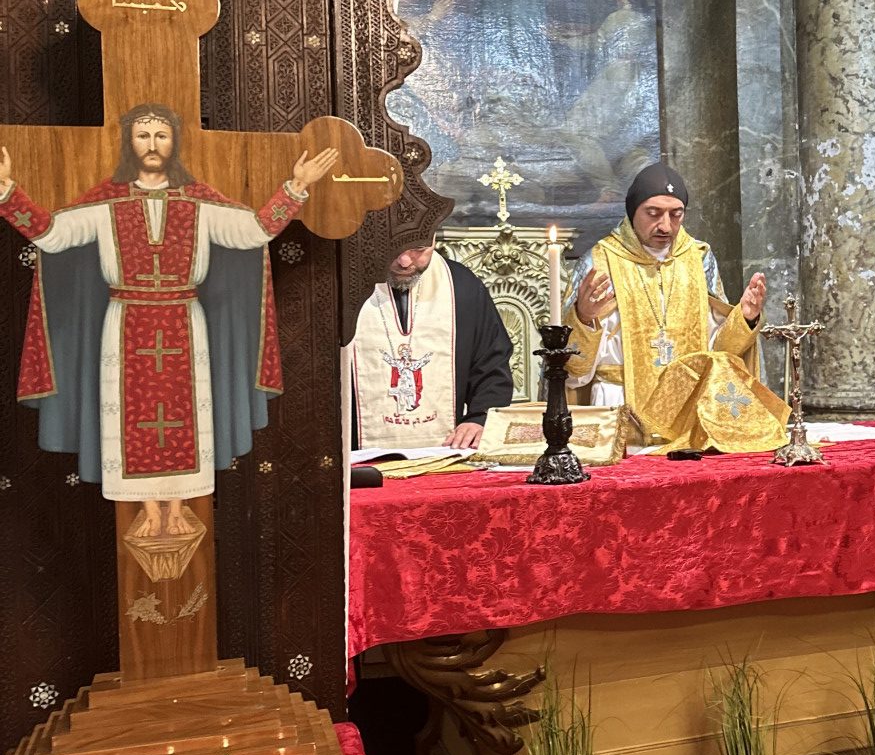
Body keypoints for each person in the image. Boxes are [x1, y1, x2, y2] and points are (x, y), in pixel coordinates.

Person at [0, 103, 336, 539]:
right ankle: (148, 511)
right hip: (124, 324)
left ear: (174, 142)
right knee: (130, 412)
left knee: (183, 414)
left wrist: (297, 186)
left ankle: (177, 507)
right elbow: (52, 234)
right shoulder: (108, 202)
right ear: (129, 142)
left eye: (161, 135)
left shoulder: (199, 201)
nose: (152, 145)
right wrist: (8, 191)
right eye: (143, 135)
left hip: (183, 320)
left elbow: (254, 231)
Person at [565, 160, 788, 453]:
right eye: (653, 214)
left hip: (688, 415)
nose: (665, 226)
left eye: (676, 214)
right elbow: (571, 367)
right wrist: (584, 318)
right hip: (620, 411)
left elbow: (717, 357)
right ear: (633, 212)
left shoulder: (698, 258)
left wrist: (744, 319)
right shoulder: (601, 260)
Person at [351, 227, 513, 451]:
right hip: (355, 454)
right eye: (394, 247)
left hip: (446, 455)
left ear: (434, 238)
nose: (405, 261)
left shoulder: (462, 286)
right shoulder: (341, 283)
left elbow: (492, 363)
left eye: (418, 249)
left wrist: (480, 418)